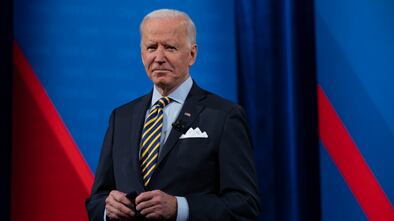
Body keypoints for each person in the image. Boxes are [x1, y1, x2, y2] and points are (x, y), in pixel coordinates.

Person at [86, 9, 260, 221]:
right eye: (151, 47)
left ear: (192, 54)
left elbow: (245, 205)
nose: (159, 57)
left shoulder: (224, 116)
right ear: (142, 56)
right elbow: (96, 200)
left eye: (170, 47)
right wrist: (107, 209)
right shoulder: (121, 117)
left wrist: (180, 208)